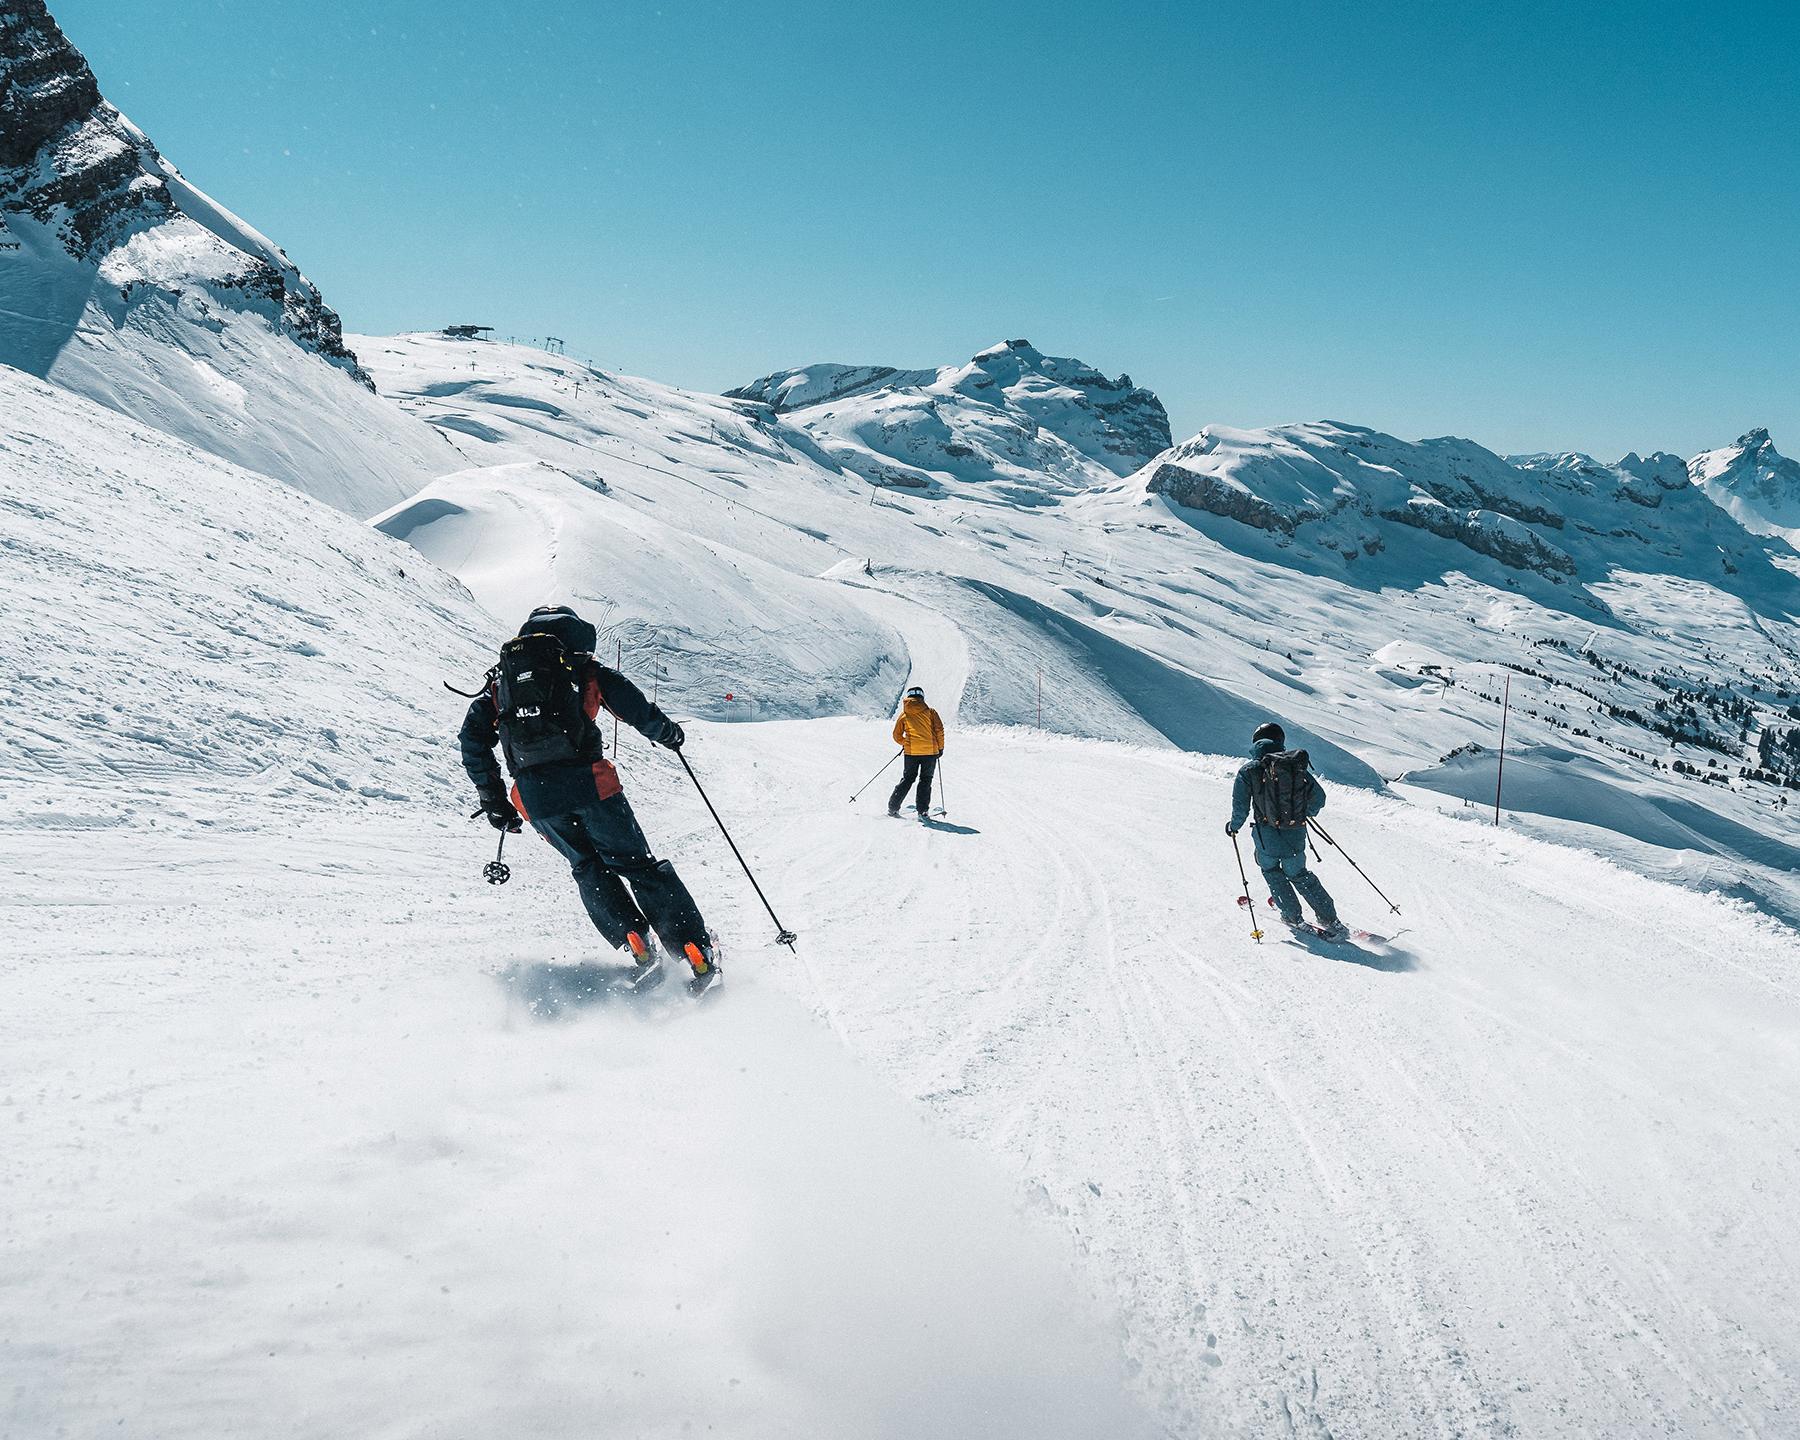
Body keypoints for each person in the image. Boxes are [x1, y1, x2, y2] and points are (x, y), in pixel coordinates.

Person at [459, 604, 719, 993]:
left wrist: (496, 801)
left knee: (586, 865)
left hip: (534, 799)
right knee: (637, 865)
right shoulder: (585, 671)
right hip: (592, 786)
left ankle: (635, 941)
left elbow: (472, 741)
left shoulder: (501, 685)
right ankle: (691, 948)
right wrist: (669, 735)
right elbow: (635, 709)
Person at [1225, 721, 1347, 940]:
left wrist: (1233, 827)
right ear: (1280, 742)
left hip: (1266, 836)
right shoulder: (1294, 766)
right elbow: (1319, 798)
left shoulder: (1249, 770)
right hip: (1296, 833)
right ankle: (1330, 919)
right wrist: (1302, 813)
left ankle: (1292, 915)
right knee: (1300, 874)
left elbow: (1240, 807)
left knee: (1272, 871)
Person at [888, 685, 945, 821]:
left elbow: (896, 735)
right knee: (925, 780)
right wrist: (940, 748)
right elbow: (939, 731)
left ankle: (893, 807)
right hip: (930, 752)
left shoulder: (904, 715)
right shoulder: (931, 712)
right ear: (922, 697)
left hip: (911, 753)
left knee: (908, 779)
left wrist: (906, 743)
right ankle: (922, 811)